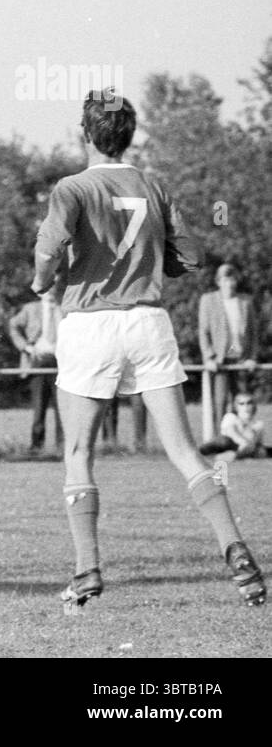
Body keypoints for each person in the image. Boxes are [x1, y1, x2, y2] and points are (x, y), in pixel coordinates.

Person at [33, 89, 264, 609]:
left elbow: (48, 248)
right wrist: (164, 265)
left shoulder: (71, 187)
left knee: (78, 451)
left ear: (85, 134)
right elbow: (194, 255)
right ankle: (236, 549)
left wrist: (40, 281)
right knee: (183, 450)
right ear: (129, 136)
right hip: (148, 321)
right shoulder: (153, 185)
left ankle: (86, 569)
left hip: (91, 324)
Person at [198, 262, 258, 426]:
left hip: (241, 360)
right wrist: (209, 357)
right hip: (219, 360)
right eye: (225, 280)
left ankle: (243, 441)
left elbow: (253, 334)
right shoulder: (208, 300)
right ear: (218, 281)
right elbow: (203, 332)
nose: (229, 284)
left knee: (243, 402)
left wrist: (252, 357)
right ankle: (220, 442)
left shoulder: (246, 302)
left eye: (232, 280)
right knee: (220, 401)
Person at [9, 284, 64, 453]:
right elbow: (13, 326)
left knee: (62, 407)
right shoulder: (30, 309)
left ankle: (63, 447)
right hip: (38, 360)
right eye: (47, 289)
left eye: (53, 288)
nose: (50, 292)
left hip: (62, 362)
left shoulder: (66, 309)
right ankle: (36, 447)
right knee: (39, 405)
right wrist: (26, 347)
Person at [199, 392, 265, 461]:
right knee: (224, 441)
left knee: (260, 451)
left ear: (254, 405)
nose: (246, 406)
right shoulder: (230, 417)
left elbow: (257, 443)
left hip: (242, 449)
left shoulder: (258, 424)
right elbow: (231, 432)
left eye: (249, 403)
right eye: (241, 403)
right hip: (224, 445)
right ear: (236, 406)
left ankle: (231, 456)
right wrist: (243, 442)